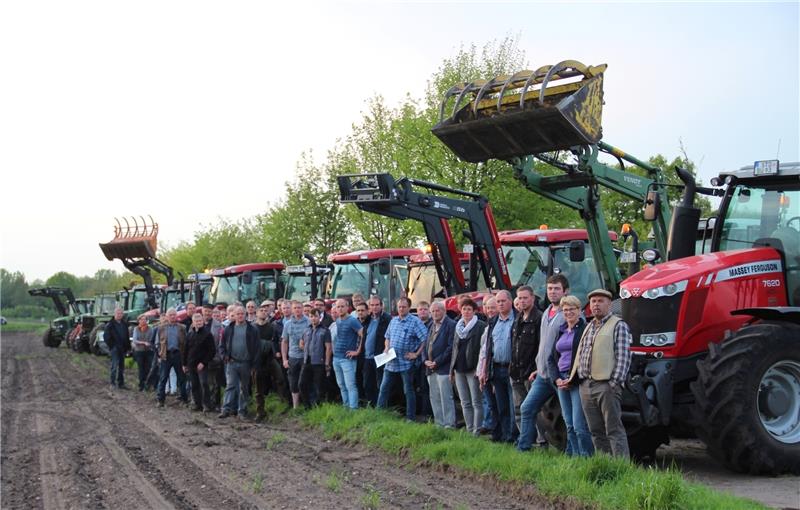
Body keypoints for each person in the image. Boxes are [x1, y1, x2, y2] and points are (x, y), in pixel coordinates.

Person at [566, 288, 632, 457]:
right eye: (593, 301)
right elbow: (580, 354)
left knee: (614, 429)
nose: (596, 305)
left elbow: (623, 357)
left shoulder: (618, 325)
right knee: (595, 430)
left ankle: (621, 468)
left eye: (600, 301)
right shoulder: (589, 326)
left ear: (609, 304)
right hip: (586, 385)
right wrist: (578, 379)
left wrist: (614, 383)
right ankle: (604, 465)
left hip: (606, 385)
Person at [517, 275, 568, 451]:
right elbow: (543, 344)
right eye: (550, 289)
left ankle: (573, 455)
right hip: (543, 375)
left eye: (557, 289)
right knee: (527, 408)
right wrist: (538, 368)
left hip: (560, 374)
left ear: (565, 291)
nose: (553, 292)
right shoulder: (546, 312)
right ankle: (523, 448)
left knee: (568, 417)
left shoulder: (567, 314)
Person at [551, 295, 593, 456]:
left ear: (579, 310)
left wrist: (572, 379)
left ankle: (587, 457)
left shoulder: (584, 330)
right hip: (561, 379)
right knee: (568, 423)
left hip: (577, 379)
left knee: (579, 424)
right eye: (565, 310)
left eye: (572, 309)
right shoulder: (561, 330)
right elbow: (552, 357)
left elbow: (586, 357)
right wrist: (557, 379)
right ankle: (576, 457)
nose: (568, 312)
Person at [378, 297, 428, 421]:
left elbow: (425, 339)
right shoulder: (393, 320)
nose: (401, 309)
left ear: (409, 307)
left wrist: (416, 354)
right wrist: (386, 348)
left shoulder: (415, 321)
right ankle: (378, 414)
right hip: (391, 361)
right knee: (384, 388)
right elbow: (387, 337)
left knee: (408, 390)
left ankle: (410, 417)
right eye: (399, 307)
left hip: (406, 363)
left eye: (404, 307)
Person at [479, 290, 516, 442]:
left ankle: (514, 437)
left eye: (503, 301)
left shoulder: (517, 319)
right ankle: (505, 436)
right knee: (502, 406)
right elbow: (488, 348)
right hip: (497, 368)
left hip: (512, 368)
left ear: (510, 302)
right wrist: (485, 369)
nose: (500, 304)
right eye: (498, 302)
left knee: (515, 406)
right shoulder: (493, 322)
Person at [450, 297, 486, 435]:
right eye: (464, 309)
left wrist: (480, 369)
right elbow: (454, 348)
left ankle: (477, 430)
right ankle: (469, 428)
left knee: (476, 401)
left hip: (473, 369)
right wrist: (451, 370)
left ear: (474, 311)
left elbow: (482, 349)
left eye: (469, 309)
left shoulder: (480, 326)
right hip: (459, 369)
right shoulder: (457, 326)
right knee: (465, 401)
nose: (466, 312)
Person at [509, 286, 542, 434]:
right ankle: (525, 438)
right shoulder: (518, 318)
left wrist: (536, 369)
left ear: (532, 298)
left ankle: (541, 441)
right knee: (518, 408)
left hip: (531, 371)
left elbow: (541, 346)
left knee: (534, 409)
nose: (522, 301)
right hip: (516, 371)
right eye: (520, 298)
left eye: (525, 298)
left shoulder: (539, 318)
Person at [219, 305, 260, 420]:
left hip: (246, 363)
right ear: (234, 315)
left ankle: (242, 411)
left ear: (245, 314)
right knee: (230, 386)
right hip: (232, 362)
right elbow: (222, 345)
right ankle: (226, 409)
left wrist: (254, 365)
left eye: (242, 313)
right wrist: (225, 357)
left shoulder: (252, 329)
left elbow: (257, 348)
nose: (240, 316)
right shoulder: (228, 329)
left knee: (244, 388)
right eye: (238, 314)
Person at [421, 301, 456, 428]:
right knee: (434, 397)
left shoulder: (451, 325)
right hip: (430, 368)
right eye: (433, 311)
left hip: (443, 368)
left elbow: (451, 347)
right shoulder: (431, 325)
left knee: (446, 397)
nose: (435, 313)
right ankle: (439, 423)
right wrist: (425, 360)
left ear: (444, 311)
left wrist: (437, 362)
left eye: (438, 310)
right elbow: (426, 344)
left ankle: (449, 424)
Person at [332, 298, 363, 409]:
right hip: (336, 357)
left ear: (347, 307)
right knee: (341, 385)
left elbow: (363, 334)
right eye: (338, 307)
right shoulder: (338, 321)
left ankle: (353, 409)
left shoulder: (352, 320)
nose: (340, 309)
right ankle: (346, 407)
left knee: (350, 385)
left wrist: (358, 351)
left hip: (347, 358)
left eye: (342, 306)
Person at [299, 308, 332, 407]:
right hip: (307, 360)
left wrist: (326, 363)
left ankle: (318, 406)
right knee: (302, 384)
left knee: (319, 386)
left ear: (320, 317)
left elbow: (328, 347)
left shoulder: (325, 330)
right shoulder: (306, 329)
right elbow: (301, 343)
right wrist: (307, 349)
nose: (313, 319)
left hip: (319, 362)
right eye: (311, 316)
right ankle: (307, 405)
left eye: (315, 316)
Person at [156, 308, 188, 406]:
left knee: (182, 378)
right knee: (163, 378)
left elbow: (186, 342)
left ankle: (184, 399)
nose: (173, 316)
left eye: (174, 314)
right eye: (170, 315)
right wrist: (160, 354)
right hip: (166, 355)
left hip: (178, 355)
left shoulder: (182, 327)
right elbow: (158, 343)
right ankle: (160, 400)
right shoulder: (161, 328)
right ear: (167, 316)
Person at [183, 312, 215, 412]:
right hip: (191, 363)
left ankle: (207, 405)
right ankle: (197, 404)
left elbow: (212, 351)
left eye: (200, 321)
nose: (198, 323)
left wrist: (204, 362)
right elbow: (185, 350)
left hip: (202, 364)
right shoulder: (189, 334)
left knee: (204, 384)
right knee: (194, 384)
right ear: (193, 322)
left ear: (203, 321)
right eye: (196, 321)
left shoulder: (208, 334)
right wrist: (184, 364)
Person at [281, 300, 310, 409]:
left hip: (305, 357)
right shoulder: (288, 324)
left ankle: (307, 405)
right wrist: (284, 359)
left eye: (299, 307)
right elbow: (284, 342)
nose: (297, 310)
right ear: (292, 310)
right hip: (292, 357)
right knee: (293, 382)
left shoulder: (308, 322)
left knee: (303, 382)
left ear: (302, 308)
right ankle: (295, 407)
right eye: (295, 308)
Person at [362, 296, 391, 407]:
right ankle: (371, 405)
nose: (374, 307)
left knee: (381, 384)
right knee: (367, 384)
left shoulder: (387, 319)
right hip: (367, 357)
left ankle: (382, 407)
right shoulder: (367, 319)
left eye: (377, 305)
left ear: (381, 305)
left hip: (381, 356)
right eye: (372, 305)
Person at [477, 296, 498, 434]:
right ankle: (489, 425)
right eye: (487, 307)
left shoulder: (498, 325)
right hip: (484, 368)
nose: (490, 310)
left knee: (494, 401)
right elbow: (483, 350)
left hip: (494, 368)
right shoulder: (488, 325)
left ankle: (492, 426)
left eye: (492, 307)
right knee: (487, 399)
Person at [104, 307, 131, 389]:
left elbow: (127, 336)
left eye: (121, 313)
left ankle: (121, 383)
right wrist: (112, 346)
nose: (119, 315)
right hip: (115, 348)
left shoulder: (124, 324)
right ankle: (112, 383)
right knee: (114, 366)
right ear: (115, 314)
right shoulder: (110, 325)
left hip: (122, 348)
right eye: (118, 313)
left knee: (121, 367)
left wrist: (128, 347)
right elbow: (106, 337)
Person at [206, 307, 226, 411]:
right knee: (206, 382)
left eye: (211, 312)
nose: (209, 314)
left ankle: (216, 403)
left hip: (215, 358)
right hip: (202, 359)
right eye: (208, 312)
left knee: (216, 383)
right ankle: (207, 403)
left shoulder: (219, 326)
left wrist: (219, 356)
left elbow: (221, 343)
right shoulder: (199, 324)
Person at [131, 314, 155, 391]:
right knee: (141, 368)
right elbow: (135, 340)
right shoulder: (136, 329)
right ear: (139, 320)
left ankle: (147, 384)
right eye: (141, 319)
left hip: (148, 351)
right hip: (139, 351)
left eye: (145, 319)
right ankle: (141, 385)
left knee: (148, 368)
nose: (143, 321)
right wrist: (143, 343)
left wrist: (149, 344)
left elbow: (152, 339)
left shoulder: (150, 329)